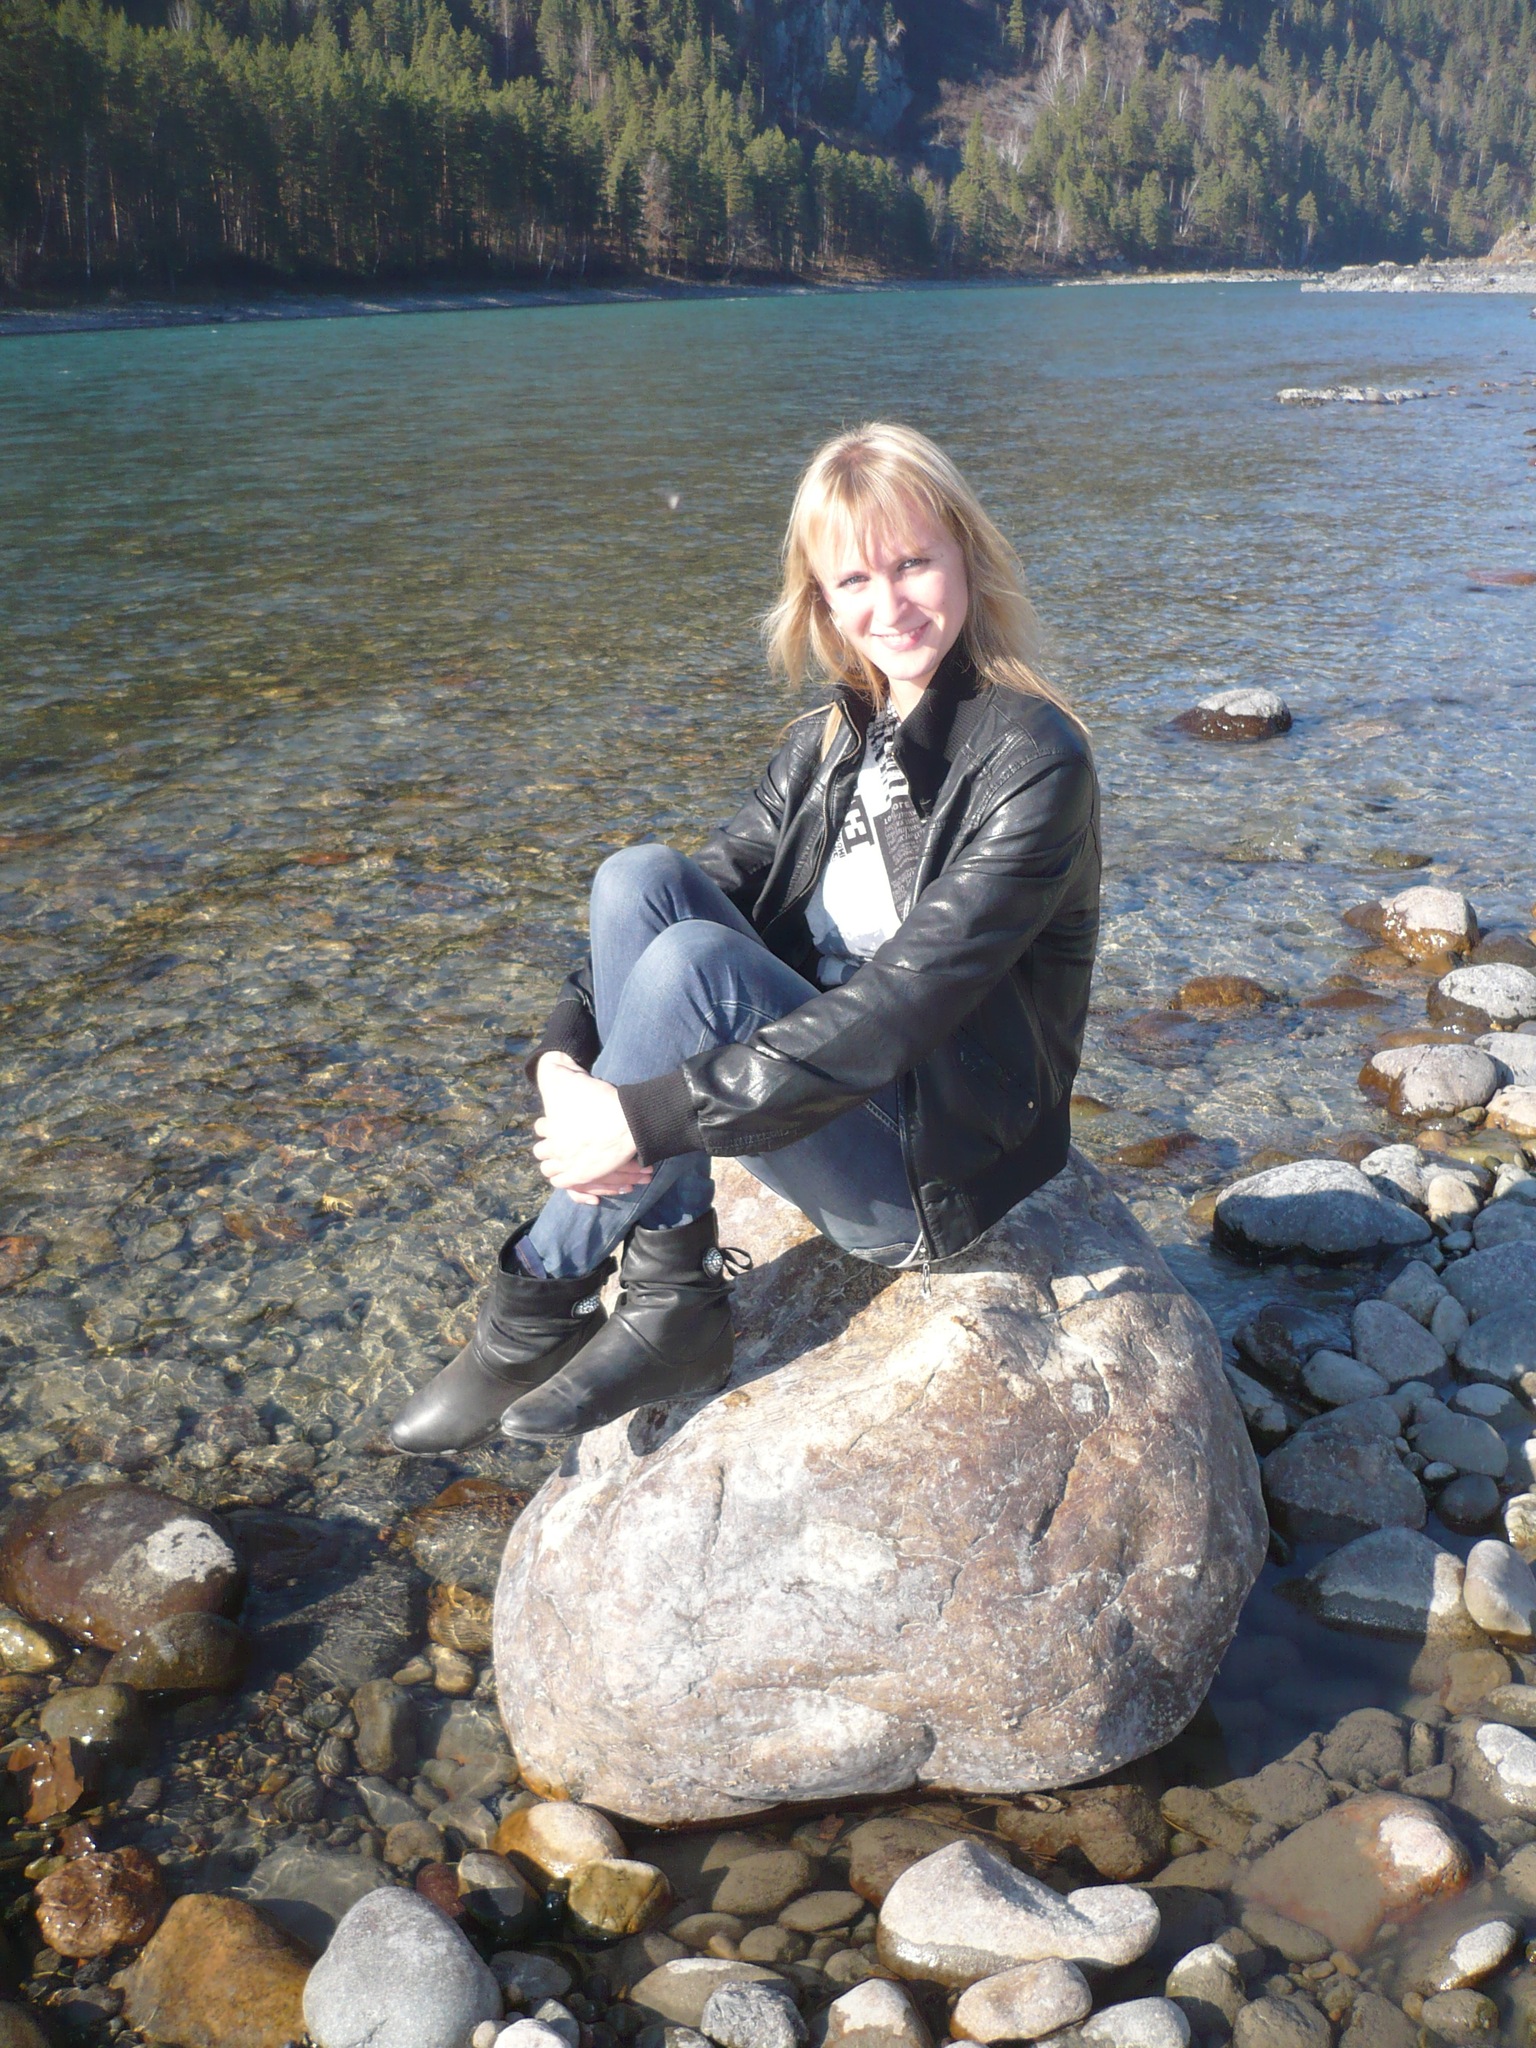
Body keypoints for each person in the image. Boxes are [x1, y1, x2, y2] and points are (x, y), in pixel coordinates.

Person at [389, 421, 1101, 1456]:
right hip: (816, 1099)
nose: (890, 604)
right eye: (854, 579)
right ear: (822, 600)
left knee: (700, 969)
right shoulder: (833, 741)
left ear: (966, 555)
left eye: (913, 563)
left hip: (929, 1162)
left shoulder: (1034, 759)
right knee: (638, 877)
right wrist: (560, 1058)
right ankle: (671, 1286)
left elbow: (904, 1005)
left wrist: (642, 1117)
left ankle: (540, 1291)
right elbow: (701, 887)